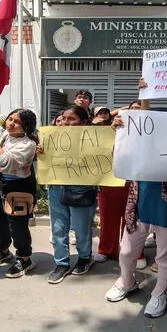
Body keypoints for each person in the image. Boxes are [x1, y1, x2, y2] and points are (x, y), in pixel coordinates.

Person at [105, 99, 167, 318]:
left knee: (165, 257)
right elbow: (118, 157)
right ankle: (127, 282)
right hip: (139, 206)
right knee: (126, 251)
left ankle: (160, 293)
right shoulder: (137, 143)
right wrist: (118, 130)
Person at [0, 109, 39, 278]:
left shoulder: (28, 144)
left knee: (17, 223)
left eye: (17, 122)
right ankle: (3, 251)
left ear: (26, 126)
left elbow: (4, 162)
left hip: (17, 185)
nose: (11, 123)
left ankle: (24, 257)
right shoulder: (2, 134)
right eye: (10, 119)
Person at [45, 105, 97, 284]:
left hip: (81, 188)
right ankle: (61, 263)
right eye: (63, 118)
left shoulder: (94, 140)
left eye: (71, 119)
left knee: (82, 228)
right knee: (58, 228)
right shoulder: (51, 138)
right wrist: (41, 153)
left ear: (83, 122)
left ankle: (84, 258)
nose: (65, 122)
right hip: (56, 188)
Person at [95, 100, 145, 270]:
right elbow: (99, 148)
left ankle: (136, 253)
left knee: (133, 220)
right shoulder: (114, 128)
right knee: (108, 217)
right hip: (110, 181)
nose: (135, 111)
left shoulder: (149, 130)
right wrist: (111, 130)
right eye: (132, 109)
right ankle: (106, 249)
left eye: (140, 108)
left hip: (135, 182)